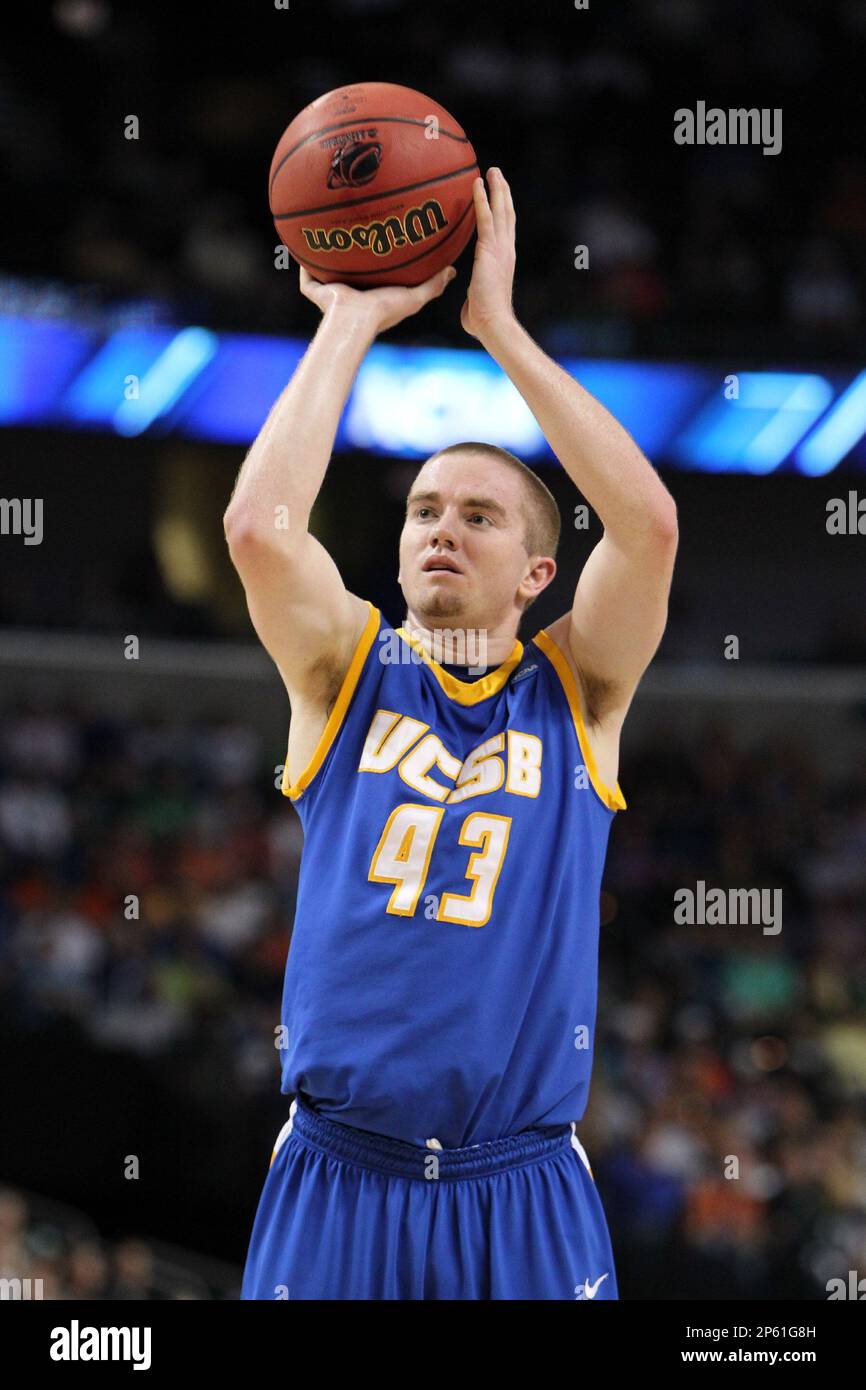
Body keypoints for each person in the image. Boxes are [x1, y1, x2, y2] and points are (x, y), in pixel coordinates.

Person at [226, 168, 678, 1300]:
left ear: (536, 571)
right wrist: (348, 320)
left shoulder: (579, 691)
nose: (440, 530)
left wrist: (499, 330)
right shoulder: (342, 671)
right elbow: (257, 528)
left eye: (476, 517)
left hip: (518, 1180)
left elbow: (648, 524)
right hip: (339, 1171)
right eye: (424, 510)